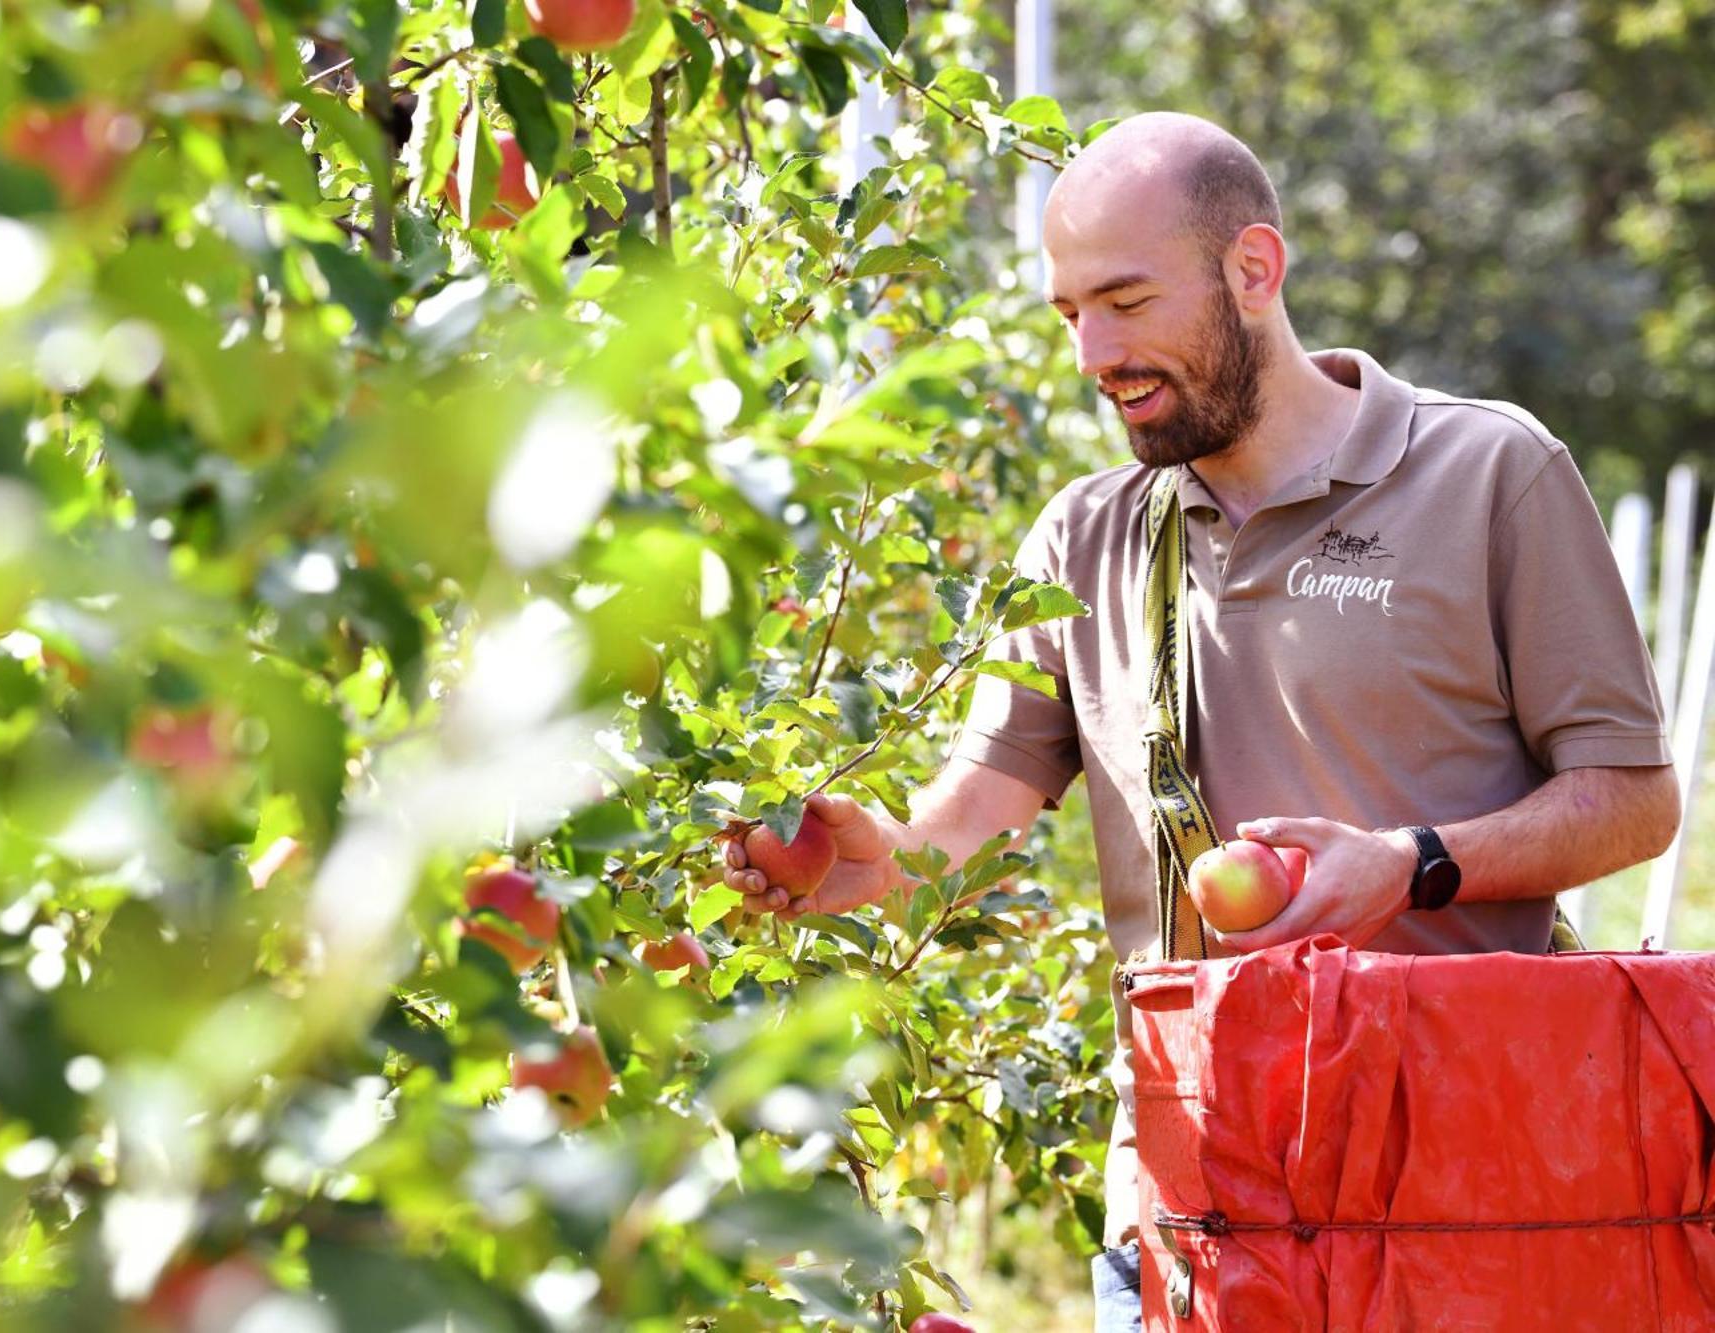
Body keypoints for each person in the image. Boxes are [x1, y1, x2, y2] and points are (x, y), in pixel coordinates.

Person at [721, 112, 1682, 1331]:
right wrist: (878, 861)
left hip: (1459, 1205)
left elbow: (1633, 799)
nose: (1092, 353)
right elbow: (970, 807)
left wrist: (1407, 866)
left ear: (1253, 269)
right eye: (1069, 312)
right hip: (1190, 1214)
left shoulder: (1489, 475)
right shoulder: (1085, 538)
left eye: (1124, 301)